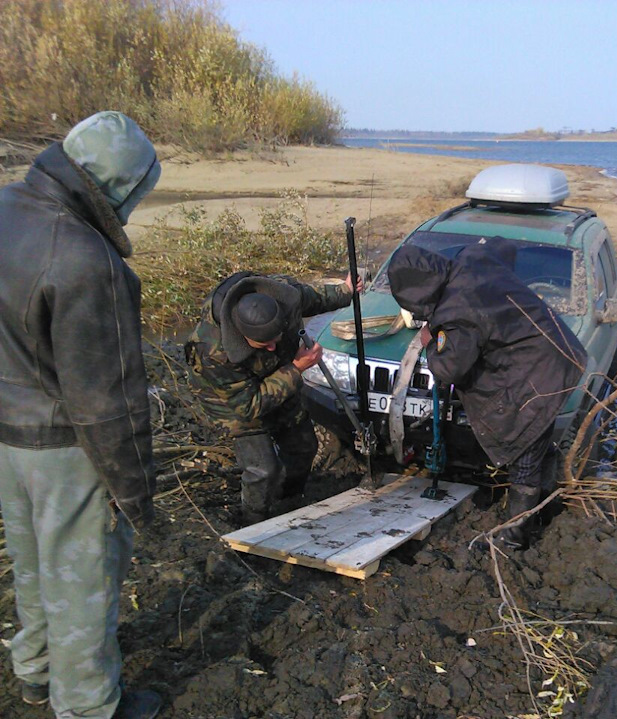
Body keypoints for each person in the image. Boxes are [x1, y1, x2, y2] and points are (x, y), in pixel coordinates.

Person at [0, 112, 162, 718]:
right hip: (67, 447)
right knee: (82, 582)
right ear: (122, 188)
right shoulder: (89, 260)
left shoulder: (6, 208)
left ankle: (36, 669)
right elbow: (107, 401)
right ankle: (89, 706)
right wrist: (133, 491)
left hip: (7, 432)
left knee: (32, 563)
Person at [388, 237, 587, 548]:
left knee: (524, 452)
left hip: (538, 374)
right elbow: (503, 247)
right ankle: (547, 506)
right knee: (539, 442)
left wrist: (430, 342)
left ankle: (513, 540)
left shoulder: (458, 311)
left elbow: (450, 369)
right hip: (556, 347)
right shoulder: (472, 257)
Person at [184, 271, 361, 522]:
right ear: (242, 337)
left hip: (280, 373)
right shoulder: (212, 352)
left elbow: (312, 298)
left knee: (304, 447)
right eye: (264, 344)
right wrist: (296, 369)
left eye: (276, 338)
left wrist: (345, 291)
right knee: (263, 470)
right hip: (232, 400)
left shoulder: (284, 296)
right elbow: (249, 406)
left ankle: (289, 501)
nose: (272, 347)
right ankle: (253, 520)